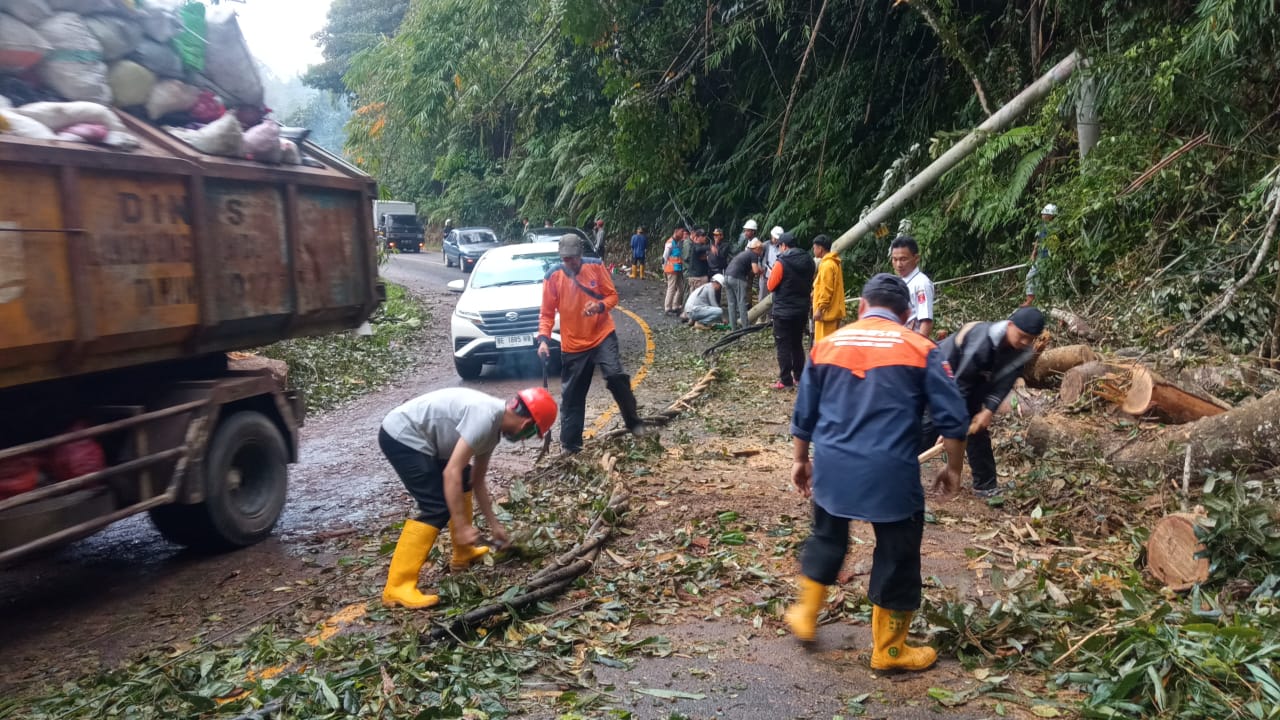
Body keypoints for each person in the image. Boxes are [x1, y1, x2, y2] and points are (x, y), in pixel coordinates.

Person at [784, 274, 968, 671]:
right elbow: (952, 420)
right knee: (898, 553)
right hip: (891, 471)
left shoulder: (827, 344)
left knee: (827, 536)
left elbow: (805, 411)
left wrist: (801, 460)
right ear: (905, 314)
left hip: (832, 466)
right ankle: (889, 650)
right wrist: (953, 467)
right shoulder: (921, 347)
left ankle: (804, 613)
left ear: (862, 307)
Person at [379, 386, 558, 609]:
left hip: (424, 440)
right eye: (531, 435)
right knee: (436, 505)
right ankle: (397, 586)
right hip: (402, 436)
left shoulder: (493, 427)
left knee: (464, 479)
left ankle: (463, 554)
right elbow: (450, 472)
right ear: (527, 425)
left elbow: (477, 480)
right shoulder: (485, 418)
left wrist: (495, 526)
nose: (524, 439)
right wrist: (462, 526)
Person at [537, 234, 647, 453]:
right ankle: (570, 446)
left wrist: (598, 306)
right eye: (566, 259)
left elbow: (612, 296)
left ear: (580, 255)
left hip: (601, 335)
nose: (570, 262)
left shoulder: (596, 267)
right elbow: (547, 313)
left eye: (574, 258)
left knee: (616, 376)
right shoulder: (553, 276)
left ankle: (633, 422)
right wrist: (543, 339)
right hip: (574, 345)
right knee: (572, 397)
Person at [923, 307, 1044, 498]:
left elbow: (1005, 382)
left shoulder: (1022, 351)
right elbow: (959, 385)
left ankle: (985, 486)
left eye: (1030, 338)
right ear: (1010, 325)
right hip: (944, 375)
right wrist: (950, 428)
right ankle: (899, 469)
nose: (1025, 342)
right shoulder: (981, 341)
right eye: (1022, 336)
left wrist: (988, 410)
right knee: (930, 426)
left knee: (977, 429)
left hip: (978, 380)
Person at [766, 232, 816, 389]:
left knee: (783, 345)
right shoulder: (809, 261)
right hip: (801, 309)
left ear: (784, 246)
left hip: (783, 311)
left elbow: (770, 285)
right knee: (797, 343)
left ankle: (785, 380)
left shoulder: (782, 262)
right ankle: (799, 377)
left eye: (779, 246)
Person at [890, 235, 934, 338]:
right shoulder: (898, 281)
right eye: (895, 259)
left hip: (911, 342)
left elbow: (926, 320)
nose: (898, 264)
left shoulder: (921, 284)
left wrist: (919, 349)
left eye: (903, 259)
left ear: (916, 258)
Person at [810, 235, 845, 342]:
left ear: (820, 249)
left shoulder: (827, 265)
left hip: (826, 314)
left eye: (814, 247)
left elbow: (827, 289)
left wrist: (820, 309)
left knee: (824, 345)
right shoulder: (833, 263)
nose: (813, 250)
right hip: (832, 310)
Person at [724, 239, 763, 330]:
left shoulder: (744, 253)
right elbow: (755, 270)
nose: (761, 251)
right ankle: (745, 327)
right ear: (757, 248)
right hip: (737, 278)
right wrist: (762, 271)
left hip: (727, 276)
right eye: (761, 249)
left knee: (731, 304)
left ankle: (733, 328)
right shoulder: (754, 254)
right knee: (741, 302)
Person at [1025, 204, 1057, 306]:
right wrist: (1033, 253)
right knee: (1030, 276)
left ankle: (1053, 304)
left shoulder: (1055, 227)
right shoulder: (1042, 226)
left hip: (1050, 258)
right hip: (1040, 257)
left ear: (1051, 216)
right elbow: (1038, 240)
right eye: (1043, 214)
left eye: (1045, 214)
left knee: (1051, 282)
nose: (1042, 215)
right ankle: (1030, 299)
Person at [662, 227, 688, 315]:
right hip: (671, 269)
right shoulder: (670, 243)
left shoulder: (678, 242)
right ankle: (667, 307)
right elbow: (664, 257)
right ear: (676, 231)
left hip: (678, 269)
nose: (682, 234)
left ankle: (675, 306)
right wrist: (664, 268)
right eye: (681, 232)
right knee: (671, 288)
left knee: (681, 288)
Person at [759, 225, 784, 304]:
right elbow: (759, 258)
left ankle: (770, 316)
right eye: (774, 238)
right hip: (765, 274)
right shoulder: (765, 245)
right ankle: (761, 316)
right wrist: (760, 269)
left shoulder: (782, 247)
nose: (775, 240)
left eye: (777, 239)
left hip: (776, 275)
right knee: (762, 297)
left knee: (773, 297)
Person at [685, 228, 712, 296]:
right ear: (696, 237)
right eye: (702, 236)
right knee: (698, 297)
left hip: (697, 276)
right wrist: (711, 247)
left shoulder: (700, 246)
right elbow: (698, 249)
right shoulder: (696, 246)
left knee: (694, 297)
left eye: (705, 236)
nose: (705, 237)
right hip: (697, 277)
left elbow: (702, 256)